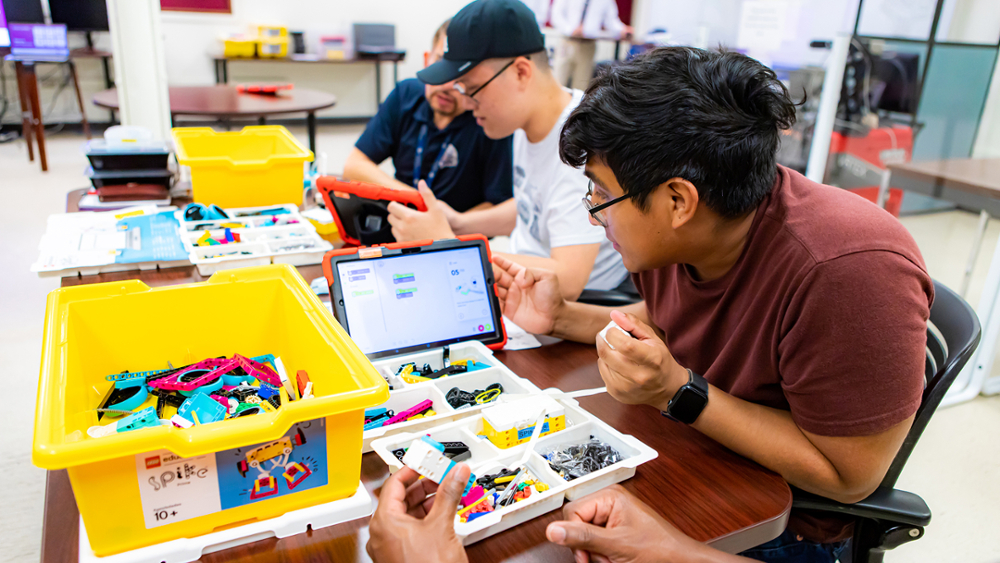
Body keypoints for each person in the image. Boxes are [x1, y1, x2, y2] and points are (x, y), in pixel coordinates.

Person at [368, 46, 933, 563]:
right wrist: (562, 317)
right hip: (695, 453)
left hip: (776, 526)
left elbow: (848, 478)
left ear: (676, 200)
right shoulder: (690, 229)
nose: (594, 212)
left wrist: (681, 393)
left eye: (600, 193)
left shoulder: (848, 272)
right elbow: (668, 320)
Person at [385, 0, 628, 301]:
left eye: (471, 88)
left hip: (566, 310)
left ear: (521, 73)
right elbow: (537, 205)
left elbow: (568, 278)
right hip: (521, 286)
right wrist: (459, 223)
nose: (467, 103)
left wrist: (447, 242)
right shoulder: (528, 122)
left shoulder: (582, 145)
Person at [342, 20, 513, 213]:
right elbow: (354, 166)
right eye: (441, 63)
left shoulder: (488, 119)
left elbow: (499, 204)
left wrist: (446, 228)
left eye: (461, 72)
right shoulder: (405, 95)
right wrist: (417, 204)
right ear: (427, 60)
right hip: (401, 222)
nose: (447, 84)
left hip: (456, 236)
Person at [551, 0, 633, 90]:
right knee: (558, 82)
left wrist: (622, 30)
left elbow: (611, 21)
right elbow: (556, 14)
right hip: (567, 42)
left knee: (581, 86)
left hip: (588, 44)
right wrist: (571, 30)